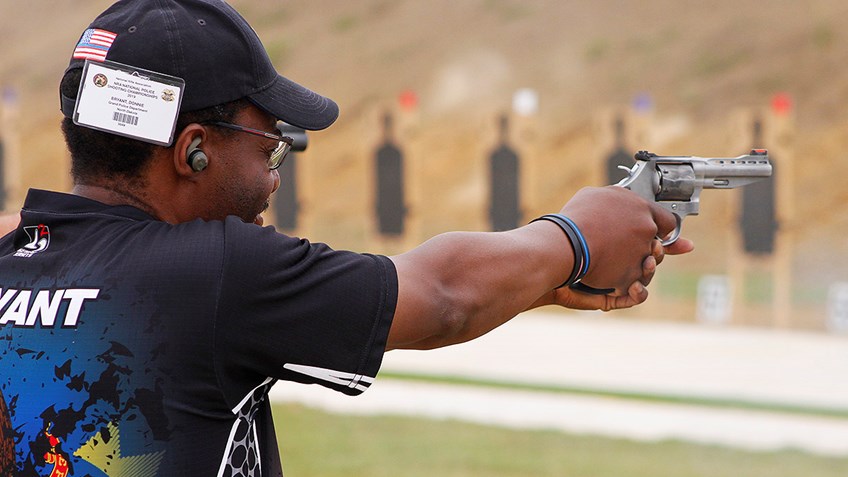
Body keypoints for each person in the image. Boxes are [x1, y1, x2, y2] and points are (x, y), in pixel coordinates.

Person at [0, 1, 693, 476]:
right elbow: (444, 294)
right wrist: (576, 234)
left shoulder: (13, 260)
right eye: (269, 147)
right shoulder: (212, 272)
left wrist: (535, 283)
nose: (274, 177)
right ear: (193, 151)